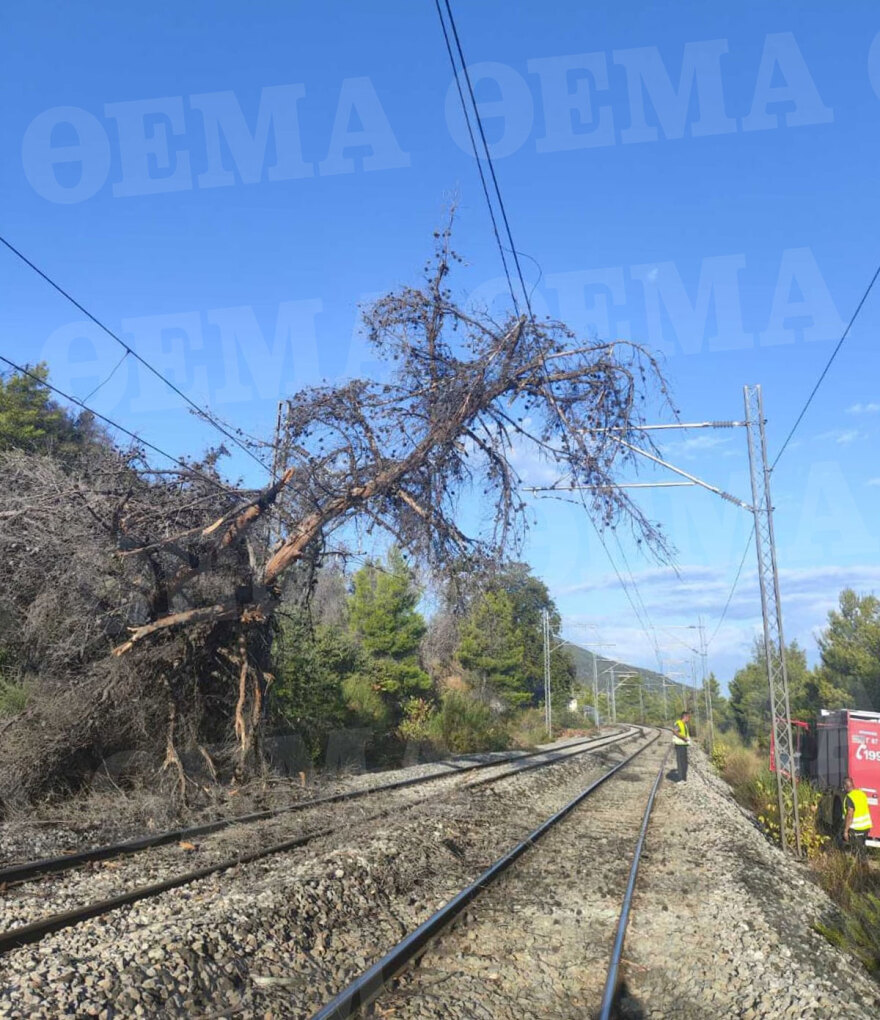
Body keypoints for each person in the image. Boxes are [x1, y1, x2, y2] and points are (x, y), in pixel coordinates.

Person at [842, 776, 873, 857]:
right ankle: (861, 863)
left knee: (858, 852)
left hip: (857, 828)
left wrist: (845, 831)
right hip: (866, 826)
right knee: (861, 848)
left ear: (845, 786)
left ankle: (861, 864)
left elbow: (850, 814)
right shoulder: (862, 793)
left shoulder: (849, 797)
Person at [673, 710, 691, 782]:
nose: (689, 719)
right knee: (680, 762)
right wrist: (683, 738)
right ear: (685, 717)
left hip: (684, 745)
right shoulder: (678, 723)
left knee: (684, 763)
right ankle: (680, 779)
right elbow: (675, 731)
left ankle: (684, 778)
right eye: (688, 717)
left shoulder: (684, 725)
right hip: (679, 745)